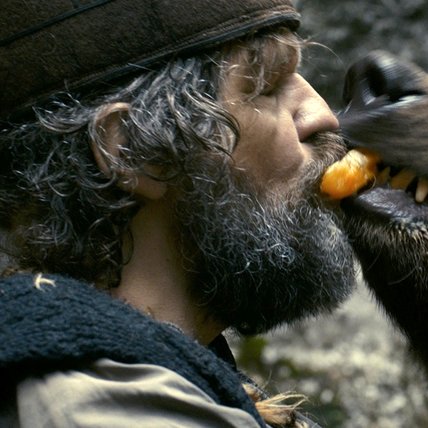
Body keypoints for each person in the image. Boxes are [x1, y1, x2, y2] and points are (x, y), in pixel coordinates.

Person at [0, 1, 356, 426]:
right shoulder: (109, 411)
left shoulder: (175, 381)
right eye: (268, 86)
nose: (322, 116)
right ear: (136, 154)